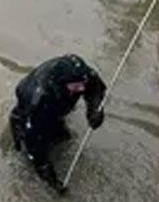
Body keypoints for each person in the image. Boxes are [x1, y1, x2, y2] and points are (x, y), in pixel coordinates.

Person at [10, 55, 105, 194]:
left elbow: (96, 90)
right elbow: (34, 142)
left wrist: (94, 110)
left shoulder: (83, 75)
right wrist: (50, 177)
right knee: (30, 161)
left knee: (64, 140)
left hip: (56, 111)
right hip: (28, 118)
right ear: (62, 83)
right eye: (76, 85)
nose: (81, 88)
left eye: (82, 83)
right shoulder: (39, 99)